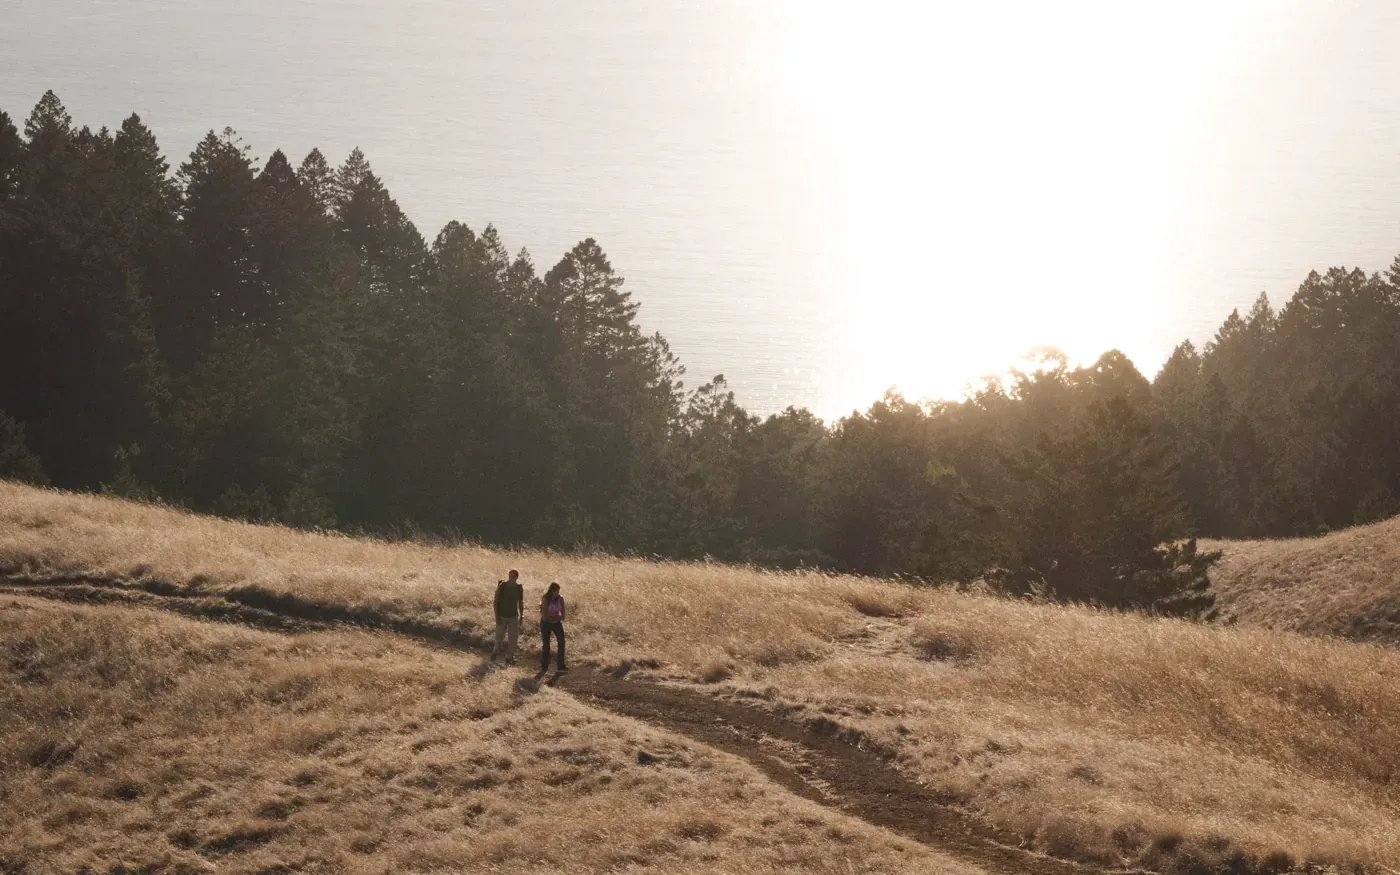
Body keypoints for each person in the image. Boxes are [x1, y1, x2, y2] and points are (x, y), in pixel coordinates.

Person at [491, 569, 524, 662]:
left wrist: (521, 616)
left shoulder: (519, 588)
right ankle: (494, 653)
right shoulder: (503, 586)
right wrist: (497, 616)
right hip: (502, 615)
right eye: (510, 576)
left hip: (513, 616)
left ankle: (510, 657)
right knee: (499, 638)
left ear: (517, 577)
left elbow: (520, 602)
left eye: (513, 577)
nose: (511, 578)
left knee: (513, 639)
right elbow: (496, 602)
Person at [537, 582, 566, 677]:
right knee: (546, 645)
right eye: (556, 591)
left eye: (558, 591)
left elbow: (563, 615)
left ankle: (561, 665)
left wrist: (554, 618)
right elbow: (545, 617)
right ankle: (544, 666)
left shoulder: (560, 599)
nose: (558, 593)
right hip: (546, 624)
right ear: (552, 591)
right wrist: (555, 617)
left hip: (556, 623)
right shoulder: (545, 599)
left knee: (561, 642)